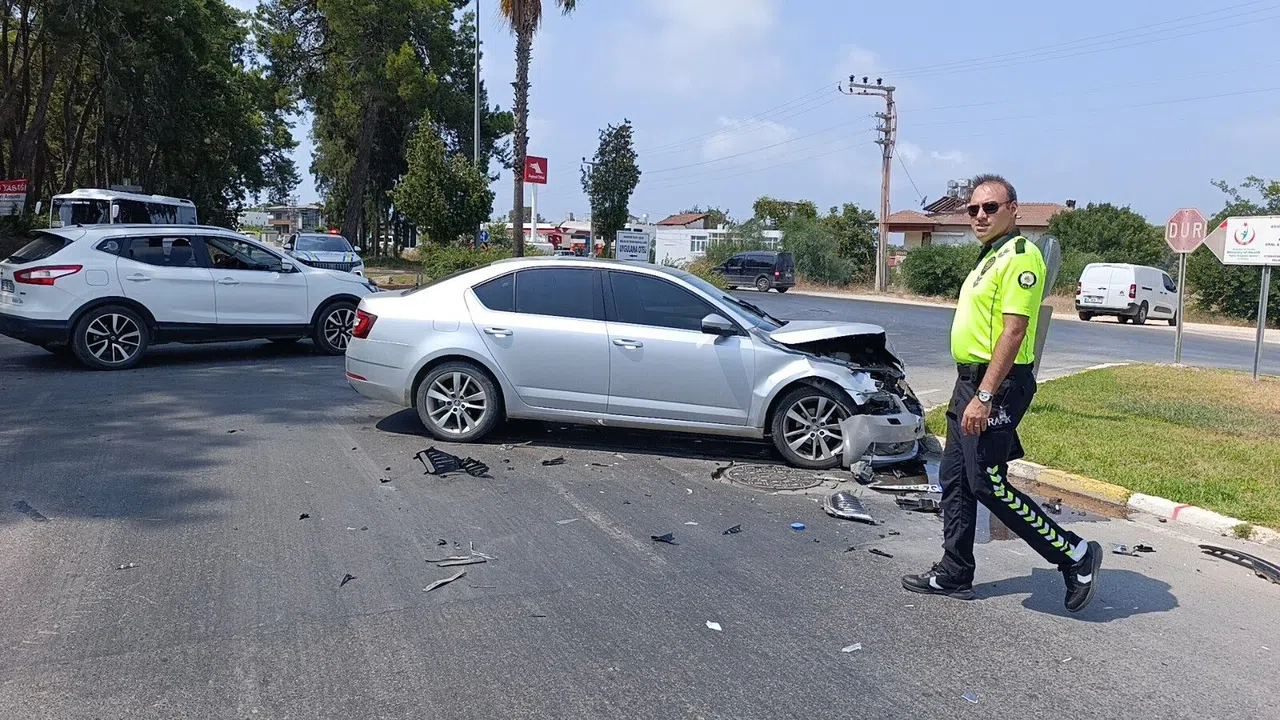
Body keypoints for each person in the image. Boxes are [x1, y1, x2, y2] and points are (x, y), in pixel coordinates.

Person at [902, 174, 1103, 612]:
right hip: (970, 382)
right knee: (954, 479)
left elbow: (1014, 331)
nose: (979, 215)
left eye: (990, 207)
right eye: (973, 209)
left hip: (998, 385)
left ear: (1014, 209)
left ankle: (1074, 554)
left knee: (988, 484)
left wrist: (986, 394)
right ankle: (954, 572)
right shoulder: (988, 257)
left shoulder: (1021, 257)